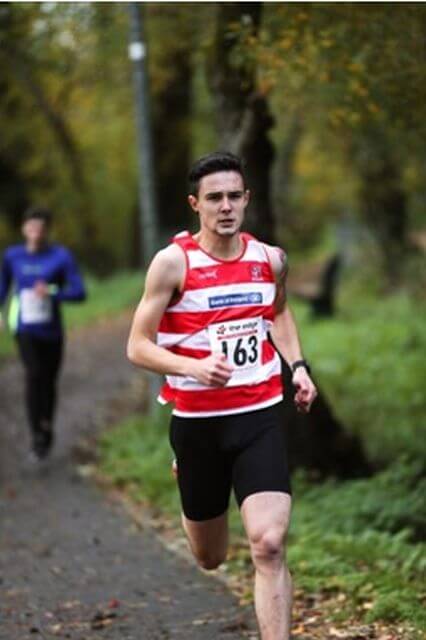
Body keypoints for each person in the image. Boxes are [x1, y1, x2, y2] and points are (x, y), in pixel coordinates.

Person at [127, 152, 317, 639]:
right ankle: (185, 472)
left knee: (269, 544)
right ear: (196, 204)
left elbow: (278, 313)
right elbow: (137, 346)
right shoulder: (173, 264)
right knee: (210, 558)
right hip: (197, 424)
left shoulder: (269, 260)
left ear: (247, 199)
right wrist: (192, 365)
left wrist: (297, 367)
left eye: (235, 196)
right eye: (215, 198)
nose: (226, 206)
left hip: (258, 416)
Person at [0, 207, 86, 461]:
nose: (35, 234)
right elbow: (3, 286)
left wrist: (50, 291)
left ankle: (46, 425)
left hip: (51, 331)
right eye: (31, 228)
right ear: (24, 229)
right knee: (33, 375)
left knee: (48, 380)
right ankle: (36, 433)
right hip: (23, 327)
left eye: (40, 229)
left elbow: (79, 292)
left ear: (46, 230)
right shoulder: (12, 256)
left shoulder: (60, 256)